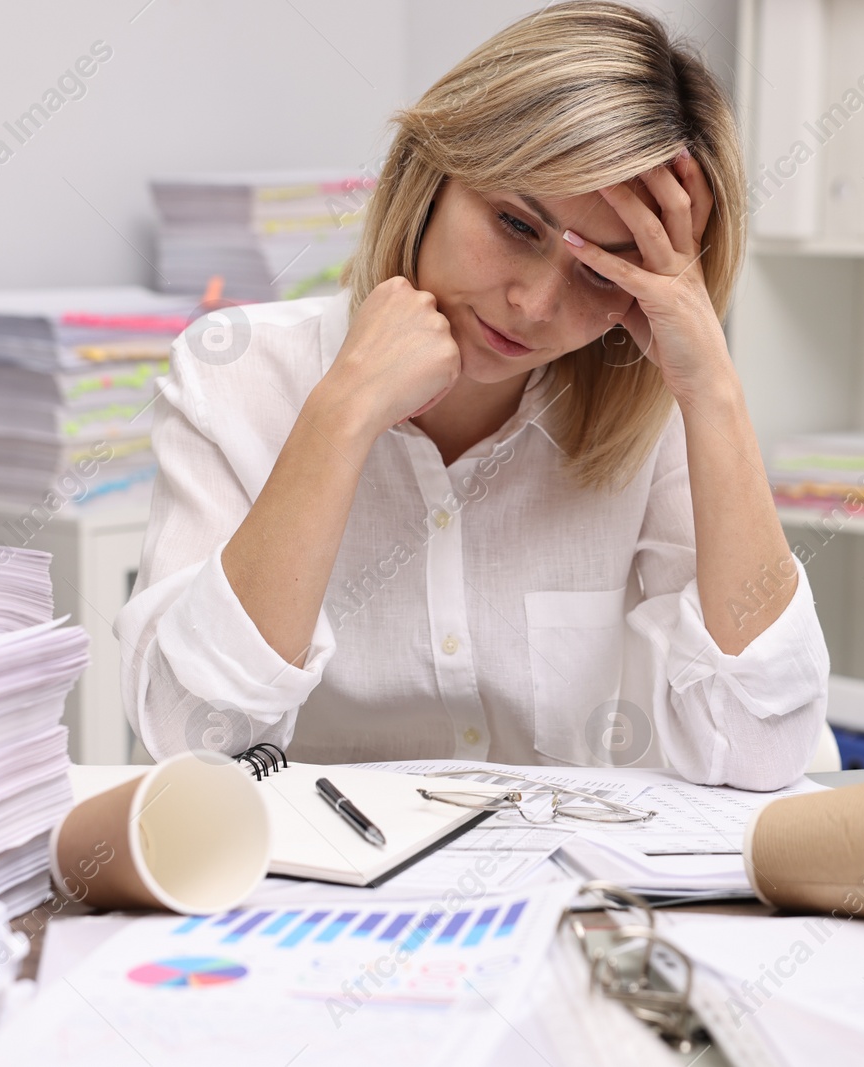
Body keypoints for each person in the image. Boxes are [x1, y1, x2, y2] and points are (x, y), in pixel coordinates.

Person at [114, 1, 828, 789]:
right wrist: (341, 415)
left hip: (560, 891)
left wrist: (713, 390)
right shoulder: (237, 376)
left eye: (599, 271)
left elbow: (761, 751)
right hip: (313, 901)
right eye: (517, 226)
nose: (533, 305)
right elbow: (192, 741)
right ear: (432, 176)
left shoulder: (651, 422)